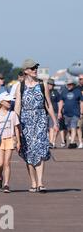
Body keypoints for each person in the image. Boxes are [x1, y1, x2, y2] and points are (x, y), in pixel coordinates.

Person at [15, 59, 58, 193]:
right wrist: (16, 125)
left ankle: (40, 182)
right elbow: (17, 106)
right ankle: (33, 182)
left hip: (40, 120)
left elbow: (48, 104)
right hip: (25, 121)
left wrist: (55, 121)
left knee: (40, 149)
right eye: (32, 68)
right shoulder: (20, 86)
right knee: (28, 152)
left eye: (36, 68)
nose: (35, 70)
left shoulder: (42, 84)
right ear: (26, 71)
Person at [58, 79, 83, 149]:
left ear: (73, 84)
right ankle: (73, 142)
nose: (68, 86)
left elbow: (81, 102)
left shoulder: (78, 92)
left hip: (75, 113)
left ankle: (72, 143)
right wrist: (60, 112)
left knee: (73, 126)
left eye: (70, 84)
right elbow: (61, 101)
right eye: (67, 84)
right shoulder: (64, 91)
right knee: (68, 128)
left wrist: (81, 111)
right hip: (66, 113)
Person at [47, 79, 62, 149]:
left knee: (54, 127)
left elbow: (60, 102)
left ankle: (52, 142)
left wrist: (59, 112)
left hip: (55, 112)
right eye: (49, 84)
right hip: (46, 112)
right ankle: (50, 142)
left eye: (51, 84)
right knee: (49, 128)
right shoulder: (45, 92)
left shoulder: (56, 92)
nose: (50, 85)